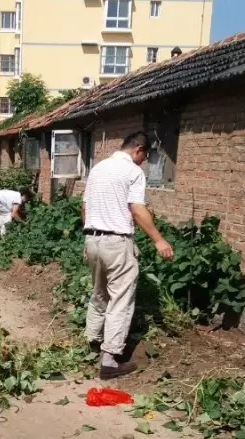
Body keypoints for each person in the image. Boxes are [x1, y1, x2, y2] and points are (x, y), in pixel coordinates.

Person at [82, 131, 173, 380]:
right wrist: (158, 239)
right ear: (138, 149)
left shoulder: (98, 169)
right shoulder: (133, 172)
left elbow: (85, 206)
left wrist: (88, 239)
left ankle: (92, 341)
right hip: (116, 242)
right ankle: (109, 360)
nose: (144, 161)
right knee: (120, 299)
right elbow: (136, 208)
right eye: (145, 156)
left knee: (99, 293)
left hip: (92, 239)